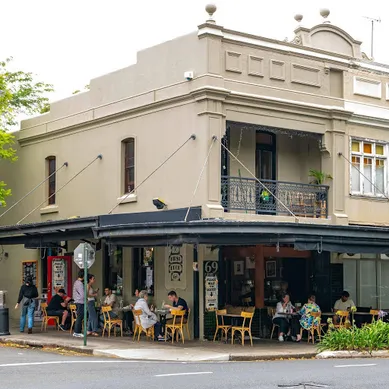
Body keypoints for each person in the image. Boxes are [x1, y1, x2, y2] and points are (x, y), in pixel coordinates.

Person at [72, 270, 85, 338]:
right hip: (80, 301)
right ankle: (77, 331)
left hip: (77, 301)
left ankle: (77, 331)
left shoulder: (76, 282)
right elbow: (82, 294)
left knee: (79, 316)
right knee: (80, 317)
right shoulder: (80, 284)